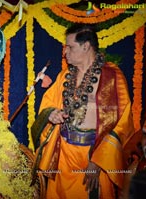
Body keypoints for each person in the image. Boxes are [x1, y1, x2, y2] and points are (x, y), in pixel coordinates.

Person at [32, 23, 135, 199]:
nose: (65, 52)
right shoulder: (65, 76)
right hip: (63, 155)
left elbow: (122, 123)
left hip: (93, 157)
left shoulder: (111, 77)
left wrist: (99, 160)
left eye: (70, 47)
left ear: (86, 46)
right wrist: (52, 114)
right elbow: (47, 104)